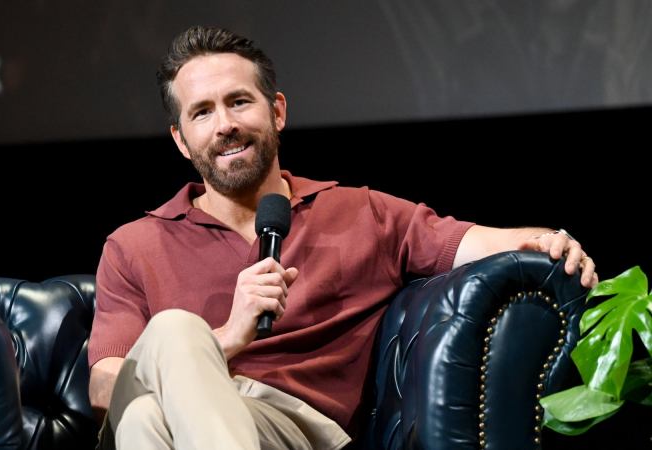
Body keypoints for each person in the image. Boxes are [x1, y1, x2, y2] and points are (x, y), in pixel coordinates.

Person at [87, 25, 598, 450]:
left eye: (239, 102)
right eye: (202, 112)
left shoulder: (360, 213)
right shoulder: (134, 245)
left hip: (297, 431)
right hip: (175, 423)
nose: (225, 125)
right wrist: (222, 339)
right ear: (181, 140)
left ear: (277, 111)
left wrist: (550, 241)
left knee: (153, 399)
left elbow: (481, 242)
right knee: (155, 381)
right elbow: (104, 390)